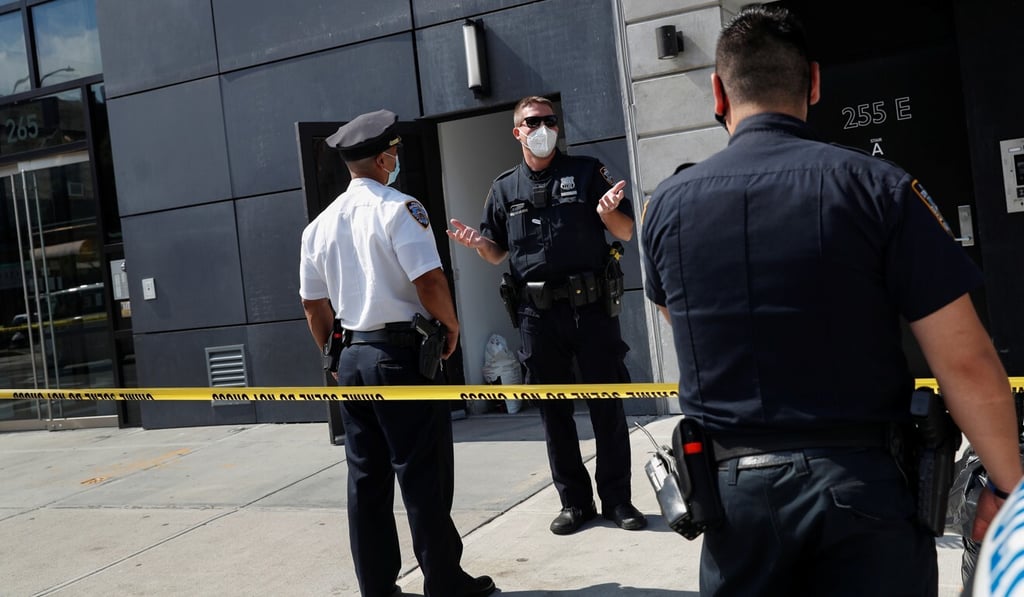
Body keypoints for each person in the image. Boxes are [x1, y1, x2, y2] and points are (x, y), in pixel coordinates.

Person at [640, 6, 1023, 596]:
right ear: (814, 83)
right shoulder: (879, 188)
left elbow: (682, 323)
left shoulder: (666, 207)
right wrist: (1007, 488)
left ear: (717, 91)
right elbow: (965, 360)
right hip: (862, 491)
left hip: (733, 502)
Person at [299, 109, 495, 597]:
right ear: (385, 157)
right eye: (394, 154)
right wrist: (451, 325)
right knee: (422, 473)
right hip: (401, 358)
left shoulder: (319, 226)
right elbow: (428, 280)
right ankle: (445, 582)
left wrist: (332, 358)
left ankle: (378, 588)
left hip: (352, 358)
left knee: (366, 479)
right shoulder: (400, 208)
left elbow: (311, 304)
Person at [447, 96, 646, 535]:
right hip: (537, 316)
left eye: (549, 120)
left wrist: (608, 213)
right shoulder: (503, 188)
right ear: (516, 131)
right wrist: (478, 245)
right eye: (532, 122)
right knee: (553, 412)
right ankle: (574, 503)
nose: (543, 127)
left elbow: (627, 231)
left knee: (606, 408)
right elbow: (497, 251)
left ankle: (618, 500)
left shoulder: (587, 171)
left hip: (591, 309)